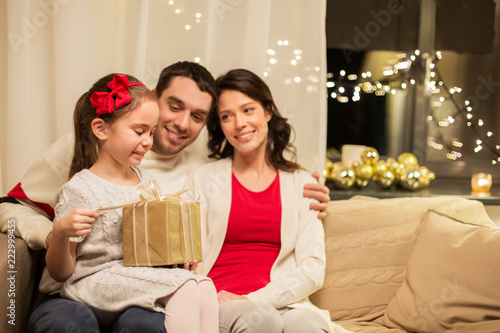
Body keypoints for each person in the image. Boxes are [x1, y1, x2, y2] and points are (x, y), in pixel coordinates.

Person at [0, 61, 331, 332]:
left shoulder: (196, 173)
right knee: (68, 322)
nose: (182, 123)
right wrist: (58, 233)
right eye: (175, 106)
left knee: (149, 322)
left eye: (198, 116)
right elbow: (10, 209)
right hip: (72, 286)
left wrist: (306, 189)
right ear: (154, 97)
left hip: (141, 293)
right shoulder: (84, 144)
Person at [45, 73, 218, 332]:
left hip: (131, 276)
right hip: (93, 283)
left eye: (151, 131)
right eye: (139, 131)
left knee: (203, 284)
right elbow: (61, 273)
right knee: (183, 287)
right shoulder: (79, 189)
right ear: (101, 129)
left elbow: (150, 248)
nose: (148, 141)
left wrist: (176, 256)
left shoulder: (146, 180)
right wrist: (59, 232)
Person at [185, 69, 348, 333]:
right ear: (220, 125)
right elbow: (185, 257)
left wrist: (256, 298)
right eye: (227, 116)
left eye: (248, 110)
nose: (239, 123)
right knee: (260, 320)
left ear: (268, 111)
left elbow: (313, 268)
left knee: (309, 326)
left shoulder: (301, 183)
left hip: (282, 300)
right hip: (220, 300)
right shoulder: (204, 179)